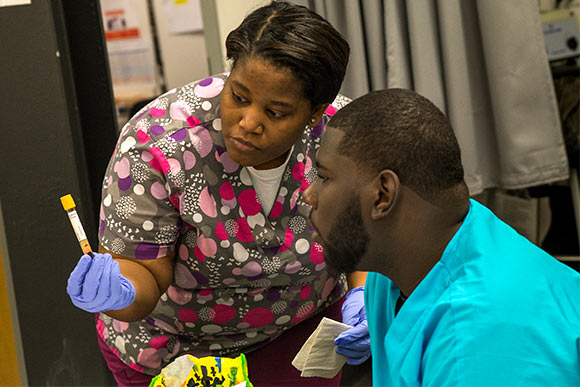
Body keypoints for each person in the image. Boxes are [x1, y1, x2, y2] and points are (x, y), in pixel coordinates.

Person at [65, 2, 371, 385]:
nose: (248, 122)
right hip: (178, 354)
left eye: (275, 112)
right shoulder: (157, 144)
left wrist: (363, 295)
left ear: (314, 113)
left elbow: (365, 232)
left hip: (296, 342)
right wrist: (119, 293)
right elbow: (145, 273)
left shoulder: (343, 136)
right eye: (239, 97)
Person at [303, 88, 580, 386]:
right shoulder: (398, 264)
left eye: (324, 177)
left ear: (382, 195)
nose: (309, 195)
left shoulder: (477, 343)